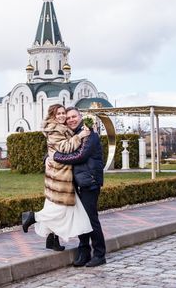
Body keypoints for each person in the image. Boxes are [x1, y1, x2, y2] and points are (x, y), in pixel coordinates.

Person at [21, 104, 92, 251]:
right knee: (60, 209)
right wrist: (80, 136)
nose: (61, 116)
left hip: (58, 173)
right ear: (52, 116)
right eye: (58, 113)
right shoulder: (55, 130)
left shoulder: (61, 128)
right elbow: (64, 148)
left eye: (62, 113)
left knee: (54, 206)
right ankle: (33, 217)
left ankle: (52, 239)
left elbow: (54, 150)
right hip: (59, 175)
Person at [52, 107, 106, 267]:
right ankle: (84, 253)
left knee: (90, 219)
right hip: (77, 182)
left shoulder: (90, 134)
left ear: (80, 116)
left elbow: (80, 155)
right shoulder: (73, 136)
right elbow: (61, 148)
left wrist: (56, 157)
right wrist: (49, 157)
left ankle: (99, 254)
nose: (71, 120)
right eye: (68, 118)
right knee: (80, 219)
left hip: (90, 182)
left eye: (73, 116)